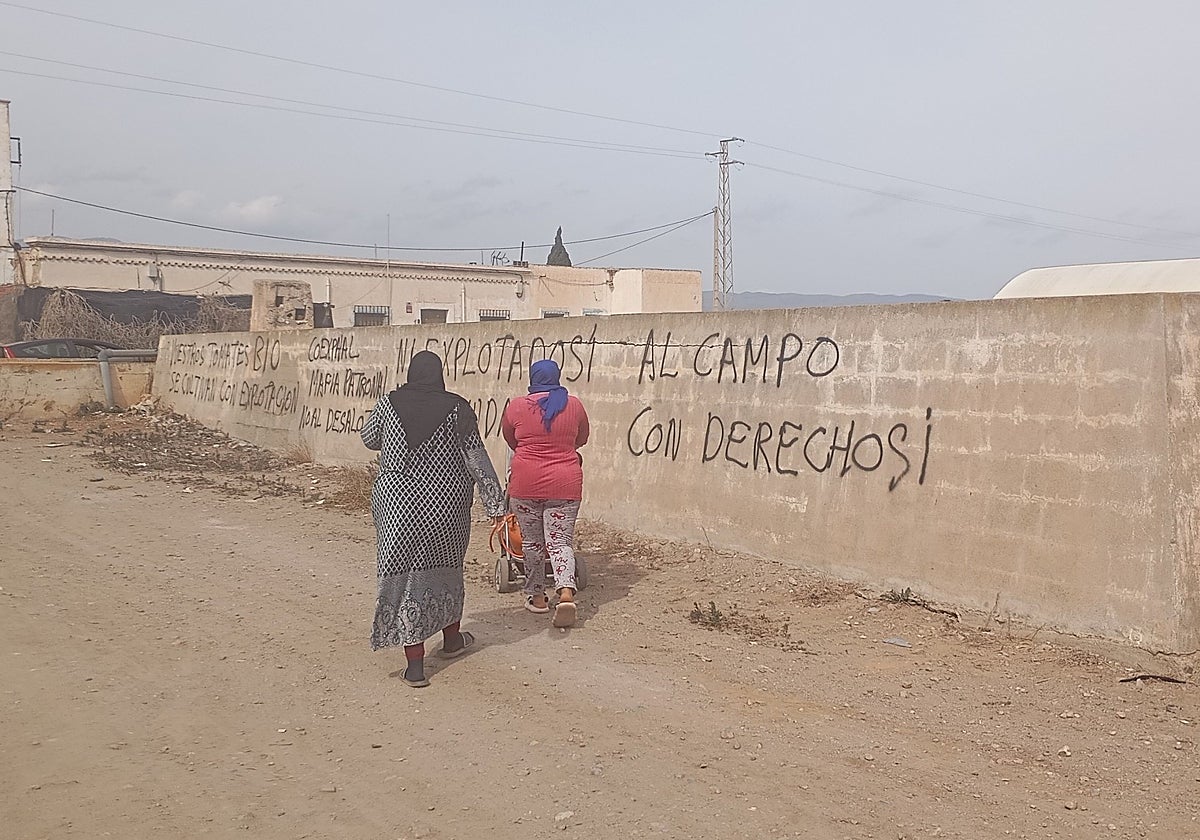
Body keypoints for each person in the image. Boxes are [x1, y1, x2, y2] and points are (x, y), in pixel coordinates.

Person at [360, 350, 506, 687]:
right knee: (445, 573)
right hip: (444, 509)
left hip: (396, 507)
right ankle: (451, 640)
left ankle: (414, 666)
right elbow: (476, 459)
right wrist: (496, 506)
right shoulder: (457, 408)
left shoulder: (389, 403)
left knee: (404, 575)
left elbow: (369, 439)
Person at [501, 359, 590, 628]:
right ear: (557, 377)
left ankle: (537, 597)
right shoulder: (573, 405)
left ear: (532, 378)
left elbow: (511, 439)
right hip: (564, 485)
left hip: (526, 485)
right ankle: (564, 591)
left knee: (532, 543)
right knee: (560, 542)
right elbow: (582, 438)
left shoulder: (516, 406)